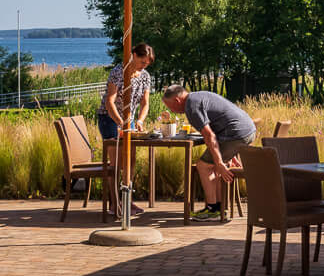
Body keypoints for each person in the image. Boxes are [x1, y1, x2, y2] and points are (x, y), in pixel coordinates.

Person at [165, 84, 255, 219]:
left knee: (204, 166)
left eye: (169, 106)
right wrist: (230, 154)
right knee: (213, 166)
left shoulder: (191, 107)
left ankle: (212, 210)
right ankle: (220, 208)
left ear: (177, 101)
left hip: (235, 135)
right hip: (247, 131)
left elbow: (209, 136)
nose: (171, 110)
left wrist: (219, 161)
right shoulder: (198, 96)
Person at [98, 42, 155, 203]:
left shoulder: (145, 76)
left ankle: (127, 200)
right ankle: (114, 203)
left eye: (148, 63)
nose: (145, 66)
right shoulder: (119, 72)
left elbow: (145, 103)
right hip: (109, 118)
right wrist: (119, 122)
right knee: (116, 162)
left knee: (130, 160)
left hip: (128, 120)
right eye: (143, 62)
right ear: (134, 55)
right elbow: (110, 101)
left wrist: (140, 120)